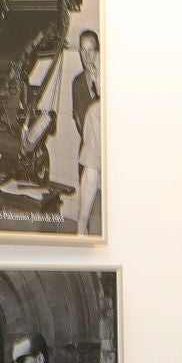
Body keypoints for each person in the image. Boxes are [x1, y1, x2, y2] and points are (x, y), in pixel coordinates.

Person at [71, 29, 102, 234]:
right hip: (88, 149)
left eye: (90, 50)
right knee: (85, 212)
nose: (86, 56)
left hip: (104, 150)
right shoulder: (77, 82)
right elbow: (80, 119)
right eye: (83, 50)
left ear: (97, 52)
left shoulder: (106, 79)